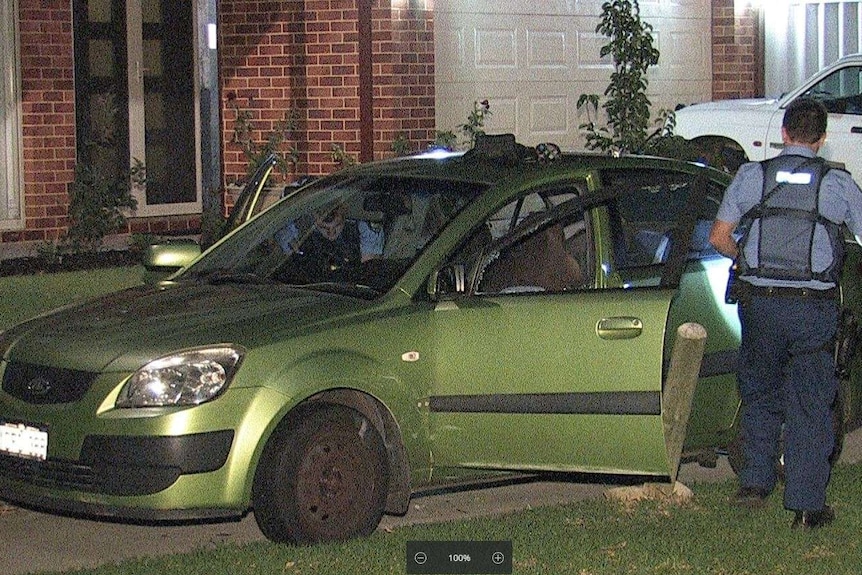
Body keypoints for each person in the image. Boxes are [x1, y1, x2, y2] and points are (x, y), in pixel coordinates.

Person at [710, 98, 862, 529]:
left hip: (760, 304)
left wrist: (746, 259)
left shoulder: (751, 176)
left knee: (758, 391)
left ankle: (755, 484)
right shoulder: (837, 183)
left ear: (785, 134)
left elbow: (719, 236)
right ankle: (806, 505)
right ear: (823, 139)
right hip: (812, 308)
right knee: (811, 402)